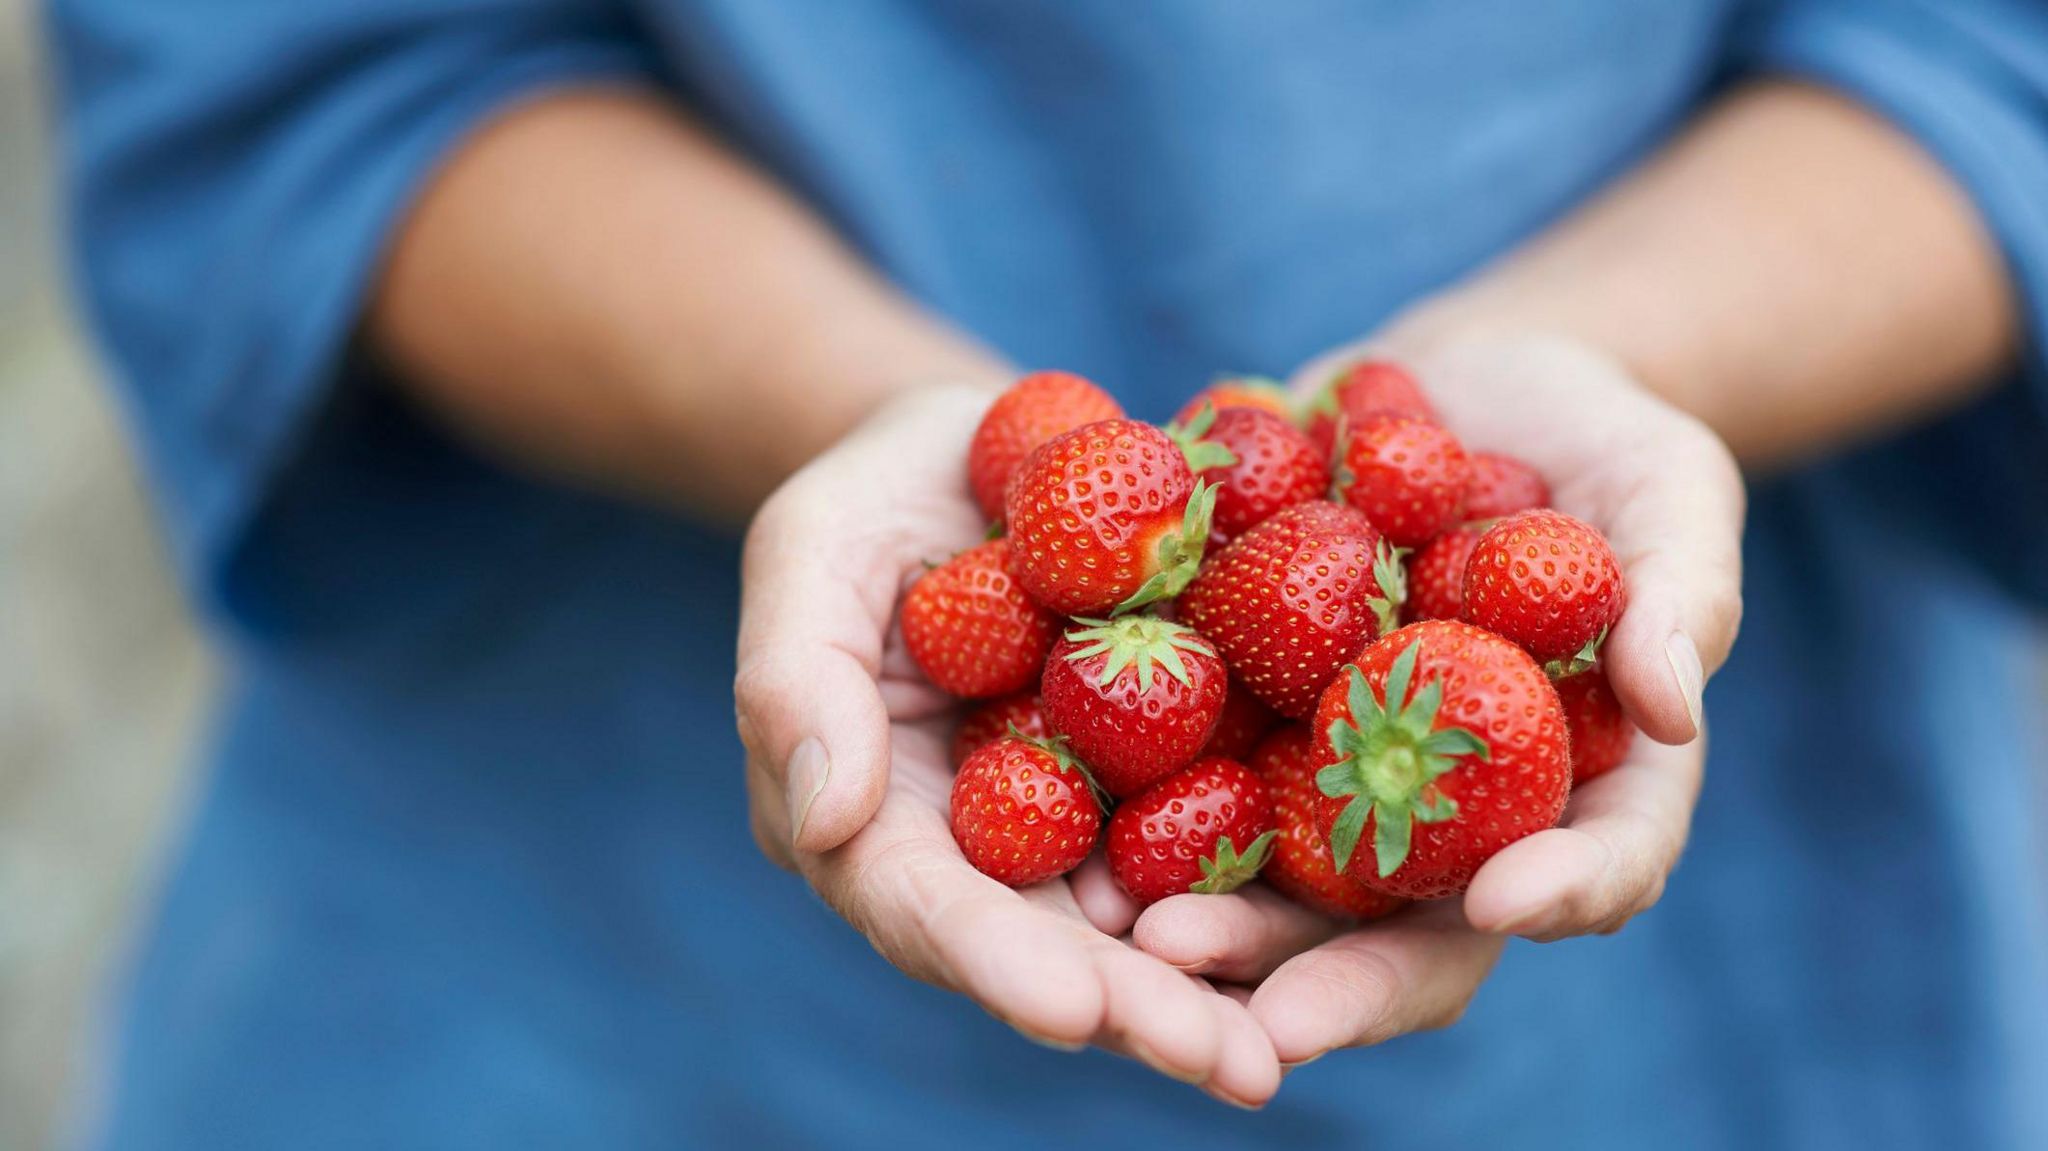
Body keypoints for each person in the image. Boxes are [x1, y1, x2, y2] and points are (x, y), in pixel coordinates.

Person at [47, 1, 2048, 1147]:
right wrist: (861, 408)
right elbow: (306, 74)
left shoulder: (1331, 617)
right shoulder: (1247, 595)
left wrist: (1633, 350)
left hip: (1734, 1034)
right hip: (572, 996)